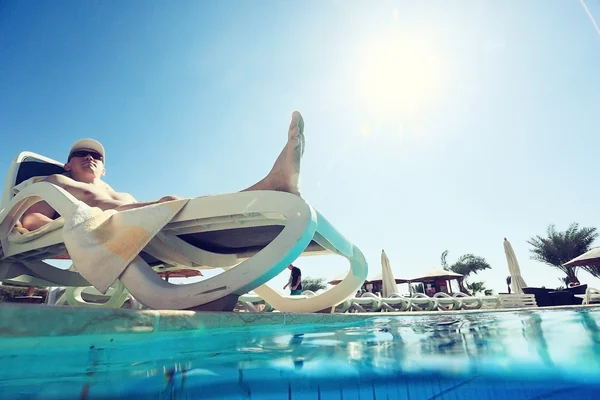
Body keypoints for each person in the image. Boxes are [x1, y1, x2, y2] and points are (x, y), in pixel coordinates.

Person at [20, 111, 305, 231]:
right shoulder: (58, 181)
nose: (90, 158)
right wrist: (85, 229)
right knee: (170, 202)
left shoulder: (117, 193)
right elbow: (31, 220)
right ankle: (272, 186)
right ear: (68, 164)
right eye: (81, 154)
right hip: (116, 228)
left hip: (147, 226)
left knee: (173, 204)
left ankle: (271, 187)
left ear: (104, 169)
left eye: (96, 156)